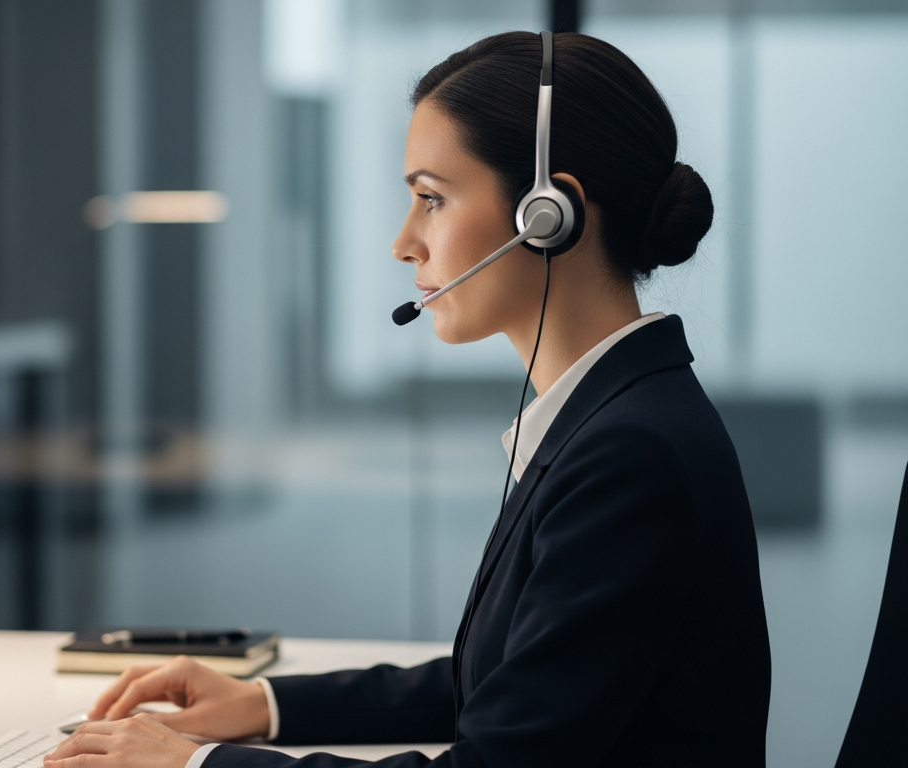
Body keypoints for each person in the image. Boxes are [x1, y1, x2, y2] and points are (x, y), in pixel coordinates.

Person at [44, 31, 771, 768]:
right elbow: (511, 685)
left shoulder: (631, 455)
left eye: (431, 199)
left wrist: (194, 765)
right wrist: (264, 706)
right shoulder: (613, 417)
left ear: (549, 214)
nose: (403, 244)